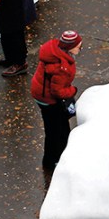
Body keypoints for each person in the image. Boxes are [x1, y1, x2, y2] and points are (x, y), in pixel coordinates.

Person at [31, 31, 82, 171]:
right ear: (69, 47)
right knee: (53, 131)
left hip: (41, 93)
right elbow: (58, 91)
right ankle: (51, 161)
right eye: (78, 46)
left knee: (61, 127)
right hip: (48, 99)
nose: (80, 49)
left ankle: (61, 152)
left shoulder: (54, 52)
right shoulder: (61, 67)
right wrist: (72, 91)